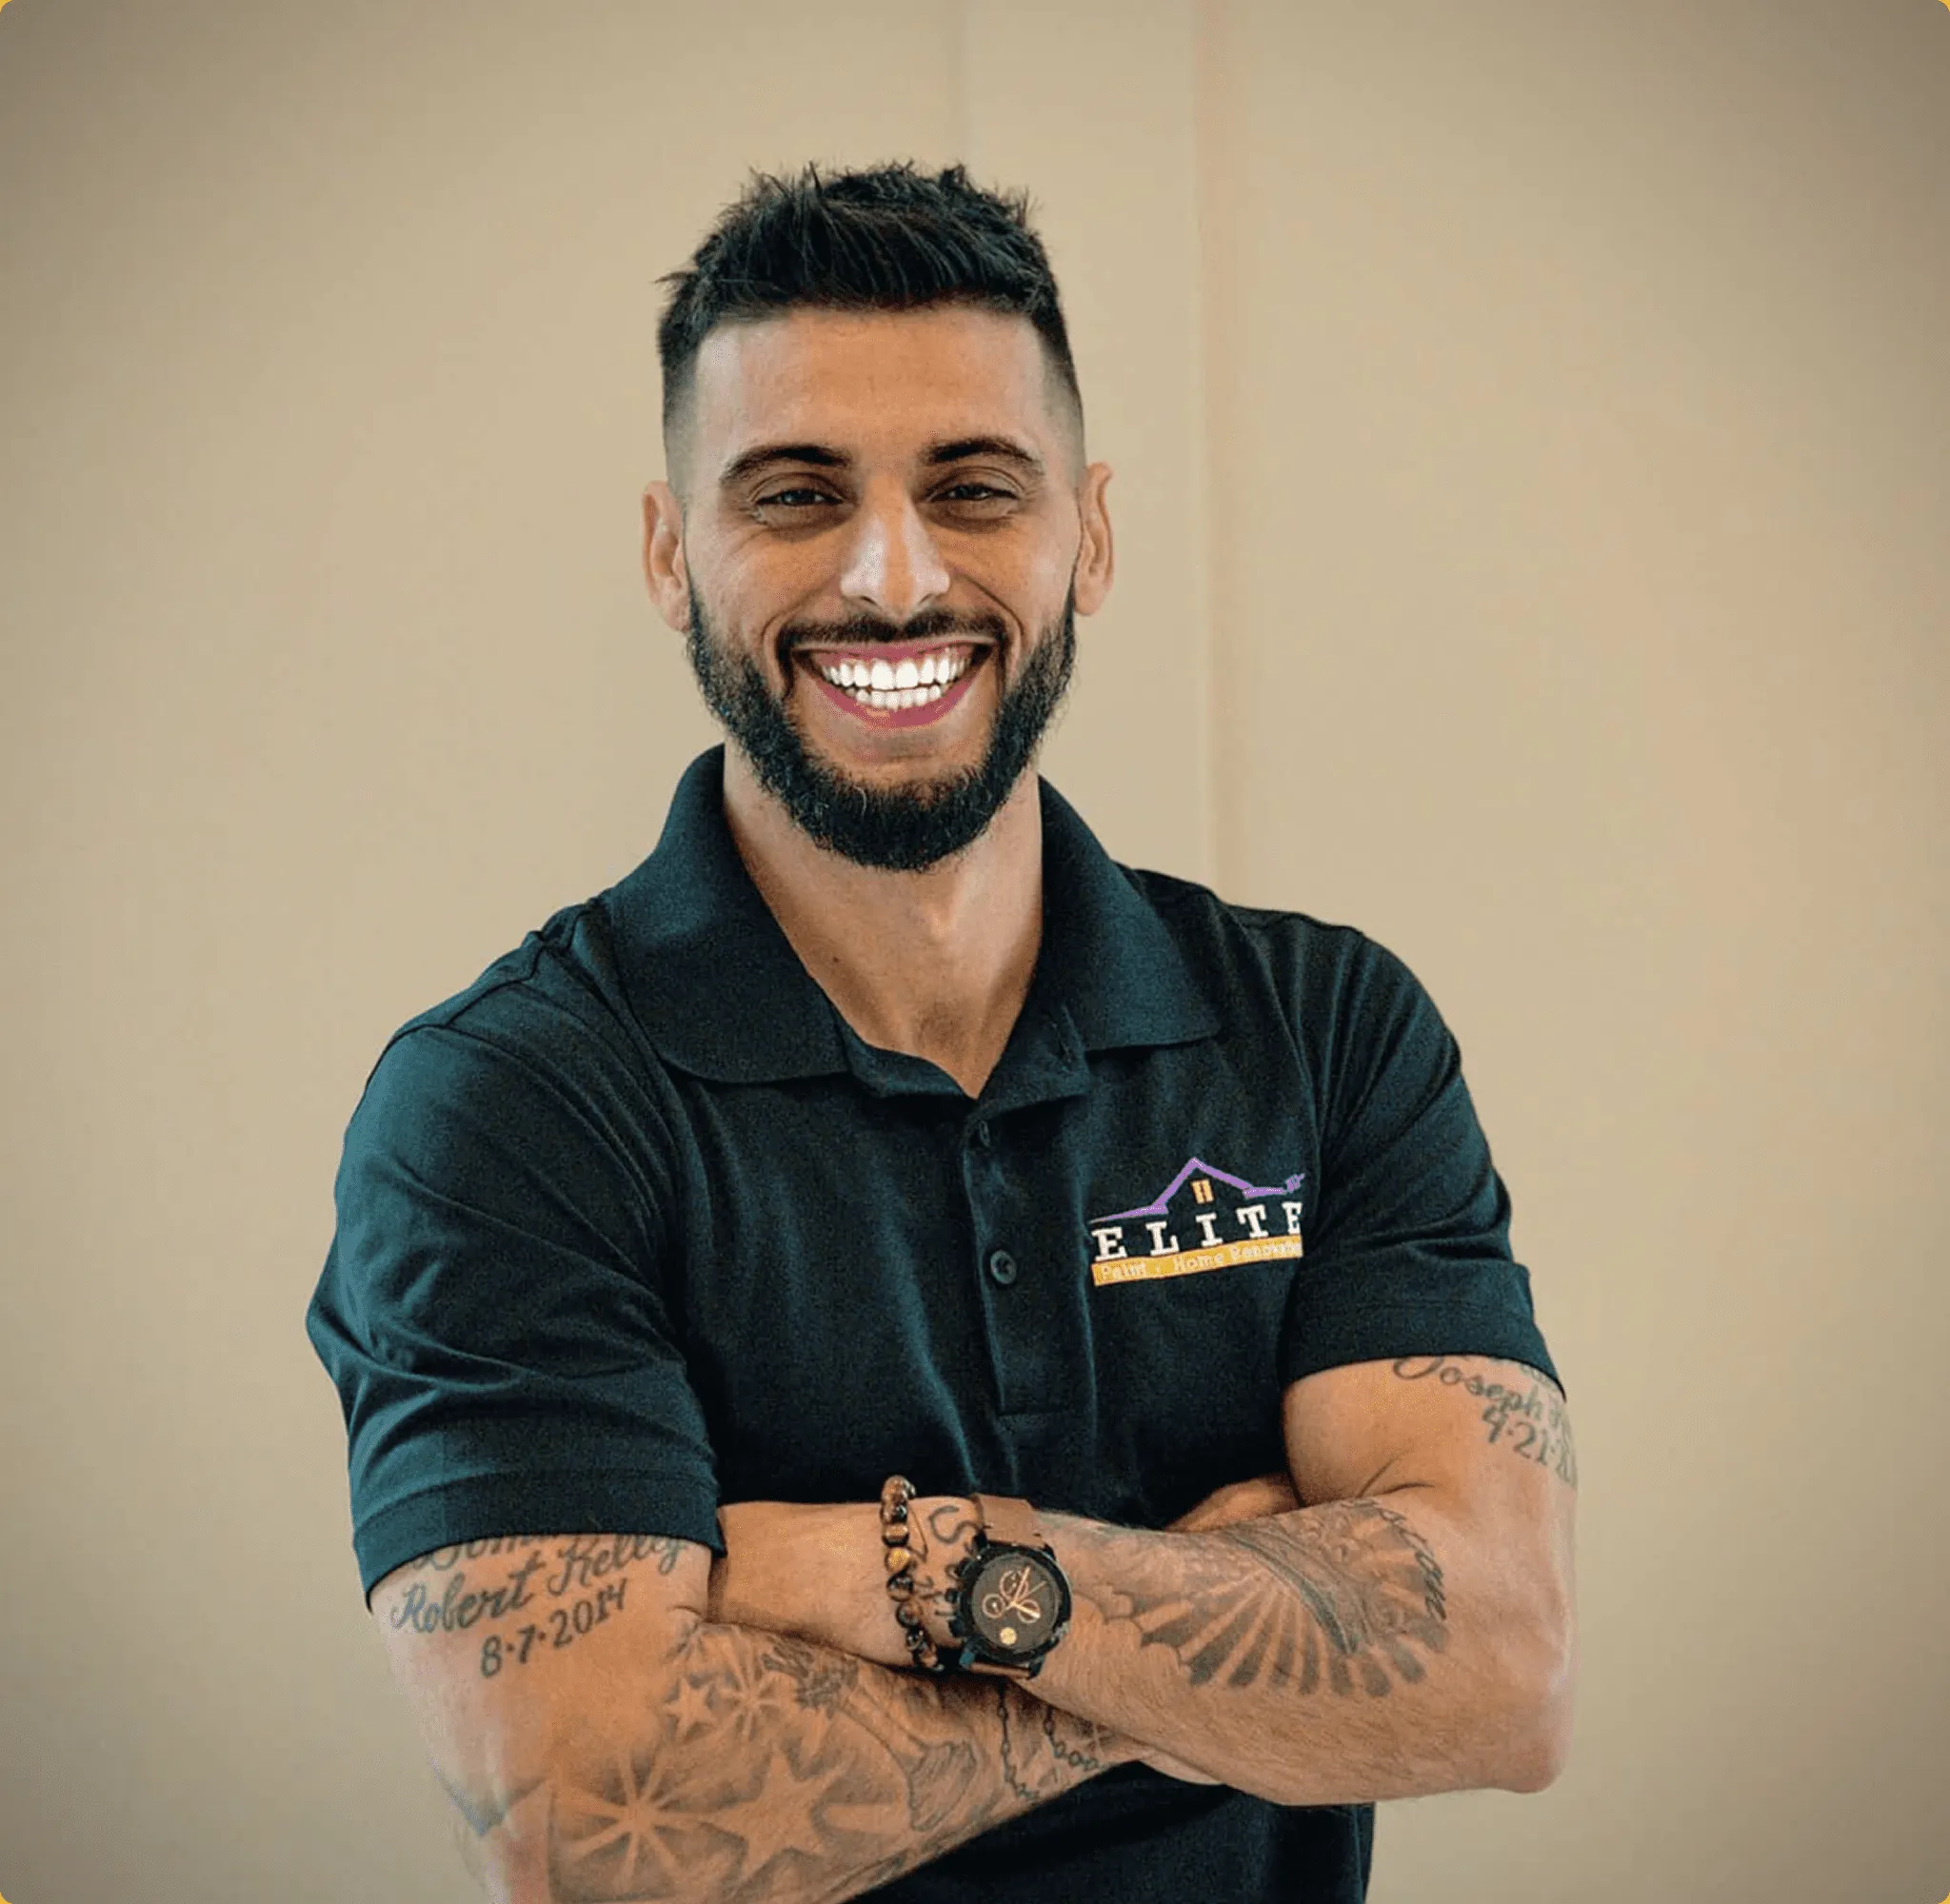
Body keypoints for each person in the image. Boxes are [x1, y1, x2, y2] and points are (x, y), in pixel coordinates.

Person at [307, 161, 1577, 1904]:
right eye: (795, 495)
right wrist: (1221, 1645)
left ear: (1094, 534)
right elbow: (589, 1829)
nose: (892, 579)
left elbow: (1500, 1668)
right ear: (673, 556)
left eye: (975, 489)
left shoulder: (1326, 1029)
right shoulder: (508, 1108)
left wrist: (902, 1578)